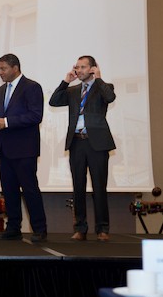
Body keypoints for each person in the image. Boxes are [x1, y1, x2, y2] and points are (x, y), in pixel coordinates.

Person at [49, 56, 116, 242]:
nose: (79, 70)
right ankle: (80, 228)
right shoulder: (73, 91)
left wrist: (99, 78)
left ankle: (102, 229)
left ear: (93, 68)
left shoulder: (105, 86)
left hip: (97, 144)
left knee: (99, 187)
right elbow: (53, 101)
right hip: (77, 142)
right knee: (78, 186)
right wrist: (65, 81)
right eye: (77, 67)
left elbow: (110, 98)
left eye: (83, 67)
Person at [0, 54, 47, 242]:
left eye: (3, 69)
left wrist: (6, 122)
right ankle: (13, 228)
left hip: (25, 149)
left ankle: (39, 229)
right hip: (5, 149)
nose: (0, 72)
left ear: (15, 68)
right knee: (9, 191)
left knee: (30, 189)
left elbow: (35, 116)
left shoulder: (32, 87)